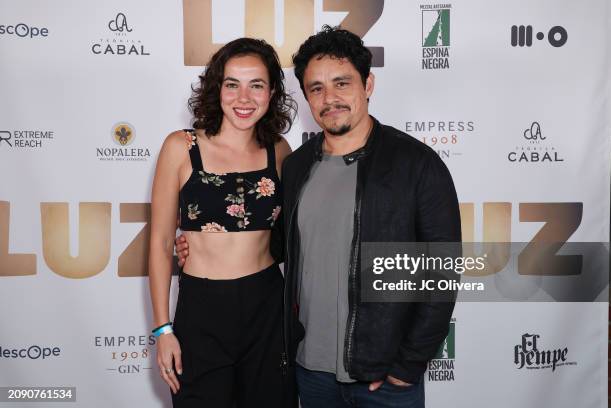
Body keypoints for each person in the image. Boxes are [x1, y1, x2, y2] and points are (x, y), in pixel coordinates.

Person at [177, 26, 461, 408]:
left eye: (342, 83)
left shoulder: (415, 164)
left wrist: (407, 364)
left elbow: (442, 269)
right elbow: (273, 243)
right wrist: (197, 241)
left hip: (384, 377)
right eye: (316, 88)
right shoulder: (294, 167)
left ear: (368, 84)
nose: (330, 99)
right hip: (308, 373)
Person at [149, 37, 295, 408]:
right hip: (203, 309)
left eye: (256, 85)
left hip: (267, 306)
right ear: (218, 89)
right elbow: (162, 243)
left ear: (272, 91)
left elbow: (293, 234)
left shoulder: (279, 150)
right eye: (233, 84)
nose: (243, 98)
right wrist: (163, 328)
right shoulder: (180, 147)